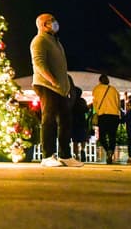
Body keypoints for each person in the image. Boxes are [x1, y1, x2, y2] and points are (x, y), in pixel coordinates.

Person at [29, 14, 82, 167]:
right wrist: (52, 80)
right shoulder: (39, 40)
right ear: (43, 25)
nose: (54, 22)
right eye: (51, 20)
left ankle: (65, 156)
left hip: (60, 88)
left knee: (65, 121)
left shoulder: (55, 41)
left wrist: (65, 85)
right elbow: (39, 63)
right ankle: (47, 156)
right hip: (46, 85)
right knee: (49, 120)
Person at [91, 73, 121, 165]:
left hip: (103, 115)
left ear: (100, 81)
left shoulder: (96, 89)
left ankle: (108, 150)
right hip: (114, 115)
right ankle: (110, 152)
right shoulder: (114, 90)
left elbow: (95, 103)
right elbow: (118, 104)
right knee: (112, 136)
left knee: (102, 137)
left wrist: (96, 112)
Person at [69, 80, 91, 163]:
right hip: (82, 122)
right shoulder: (82, 101)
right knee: (82, 139)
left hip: (73, 122)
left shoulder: (71, 101)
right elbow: (86, 110)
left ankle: (76, 155)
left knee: (75, 140)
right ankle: (82, 150)